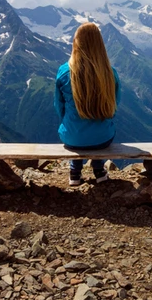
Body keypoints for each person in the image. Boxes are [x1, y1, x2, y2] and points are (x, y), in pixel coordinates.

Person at [54, 22, 121, 186]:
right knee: (97, 131)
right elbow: (114, 106)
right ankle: (98, 169)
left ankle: (74, 171)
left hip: (71, 137)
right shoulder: (110, 72)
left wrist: (70, 121)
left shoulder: (64, 72)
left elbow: (59, 107)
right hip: (103, 138)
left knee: (77, 132)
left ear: (76, 43)